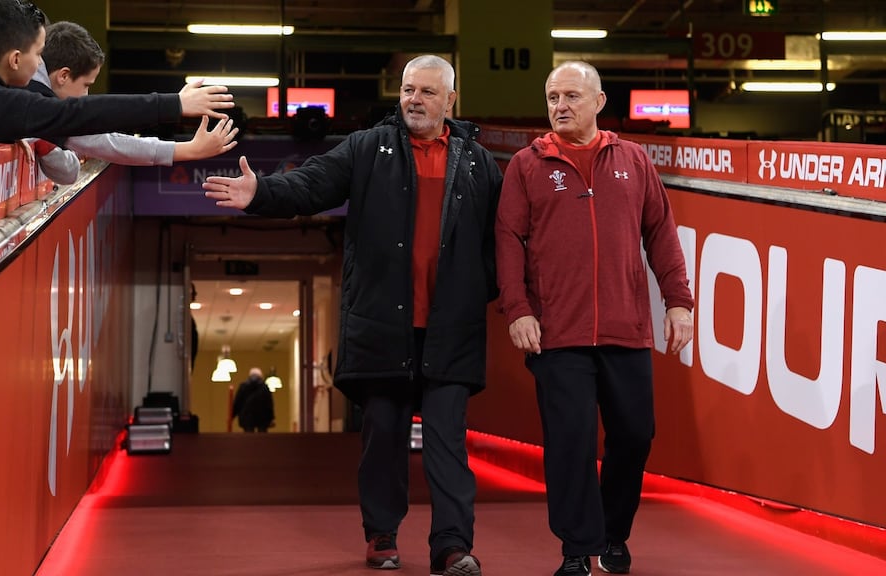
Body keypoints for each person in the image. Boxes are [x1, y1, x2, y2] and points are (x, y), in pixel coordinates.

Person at [202, 55, 501, 576]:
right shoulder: (368, 148)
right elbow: (312, 183)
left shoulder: (480, 164)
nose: (415, 99)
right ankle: (381, 536)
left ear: (451, 101)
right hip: (383, 326)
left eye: (428, 92)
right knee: (382, 438)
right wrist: (260, 194)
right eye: (408, 89)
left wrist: (480, 290)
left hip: (451, 331)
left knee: (448, 444)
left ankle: (453, 548)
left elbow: (501, 242)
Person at [494, 61, 694, 576]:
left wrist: (679, 302)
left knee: (635, 434)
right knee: (571, 440)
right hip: (558, 335)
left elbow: (662, 234)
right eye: (553, 97)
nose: (561, 106)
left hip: (626, 330)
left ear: (599, 102)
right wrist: (517, 309)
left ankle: (613, 533)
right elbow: (507, 241)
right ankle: (577, 549)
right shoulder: (526, 165)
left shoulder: (634, 160)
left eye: (572, 97)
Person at [0, 0, 233, 154]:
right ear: (15, 59)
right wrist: (174, 104)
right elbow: (77, 116)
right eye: (39, 53)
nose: (41, 61)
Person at [27, 20, 238, 180]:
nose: (86, 97)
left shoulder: (42, 98)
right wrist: (176, 107)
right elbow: (107, 139)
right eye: (86, 86)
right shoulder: (28, 98)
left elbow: (93, 148)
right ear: (63, 75)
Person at [231, 367, 274, 433]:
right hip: (262, 418)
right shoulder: (265, 387)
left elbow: (237, 403)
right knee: (263, 440)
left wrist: (232, 416)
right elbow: (269, 405)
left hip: (246, 417)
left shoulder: (243, 386)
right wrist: (271, 418)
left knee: (248, 440)